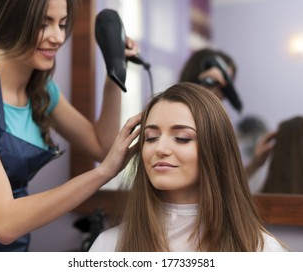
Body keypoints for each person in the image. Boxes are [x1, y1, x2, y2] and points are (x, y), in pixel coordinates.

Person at [0, 0, 141, 251]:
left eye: (62, 24)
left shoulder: (42, 90)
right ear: (8, 22)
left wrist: (115, 70)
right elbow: (4, 223)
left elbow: (101, 145)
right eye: (43, 24)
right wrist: (103, 173)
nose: (58, 37)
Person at [89, 82, 287, 252]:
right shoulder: (109, 247)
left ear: (215, 149)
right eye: (151, 138)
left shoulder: (262, 251)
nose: (161, 148)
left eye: (182, 138)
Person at [178, 48, 274, 179]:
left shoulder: (218, 121)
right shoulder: (173, 114)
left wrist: (255, 163)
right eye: (216, 81)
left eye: (228, 84)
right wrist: (202, 92)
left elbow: (225, 186)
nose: (222, 90)